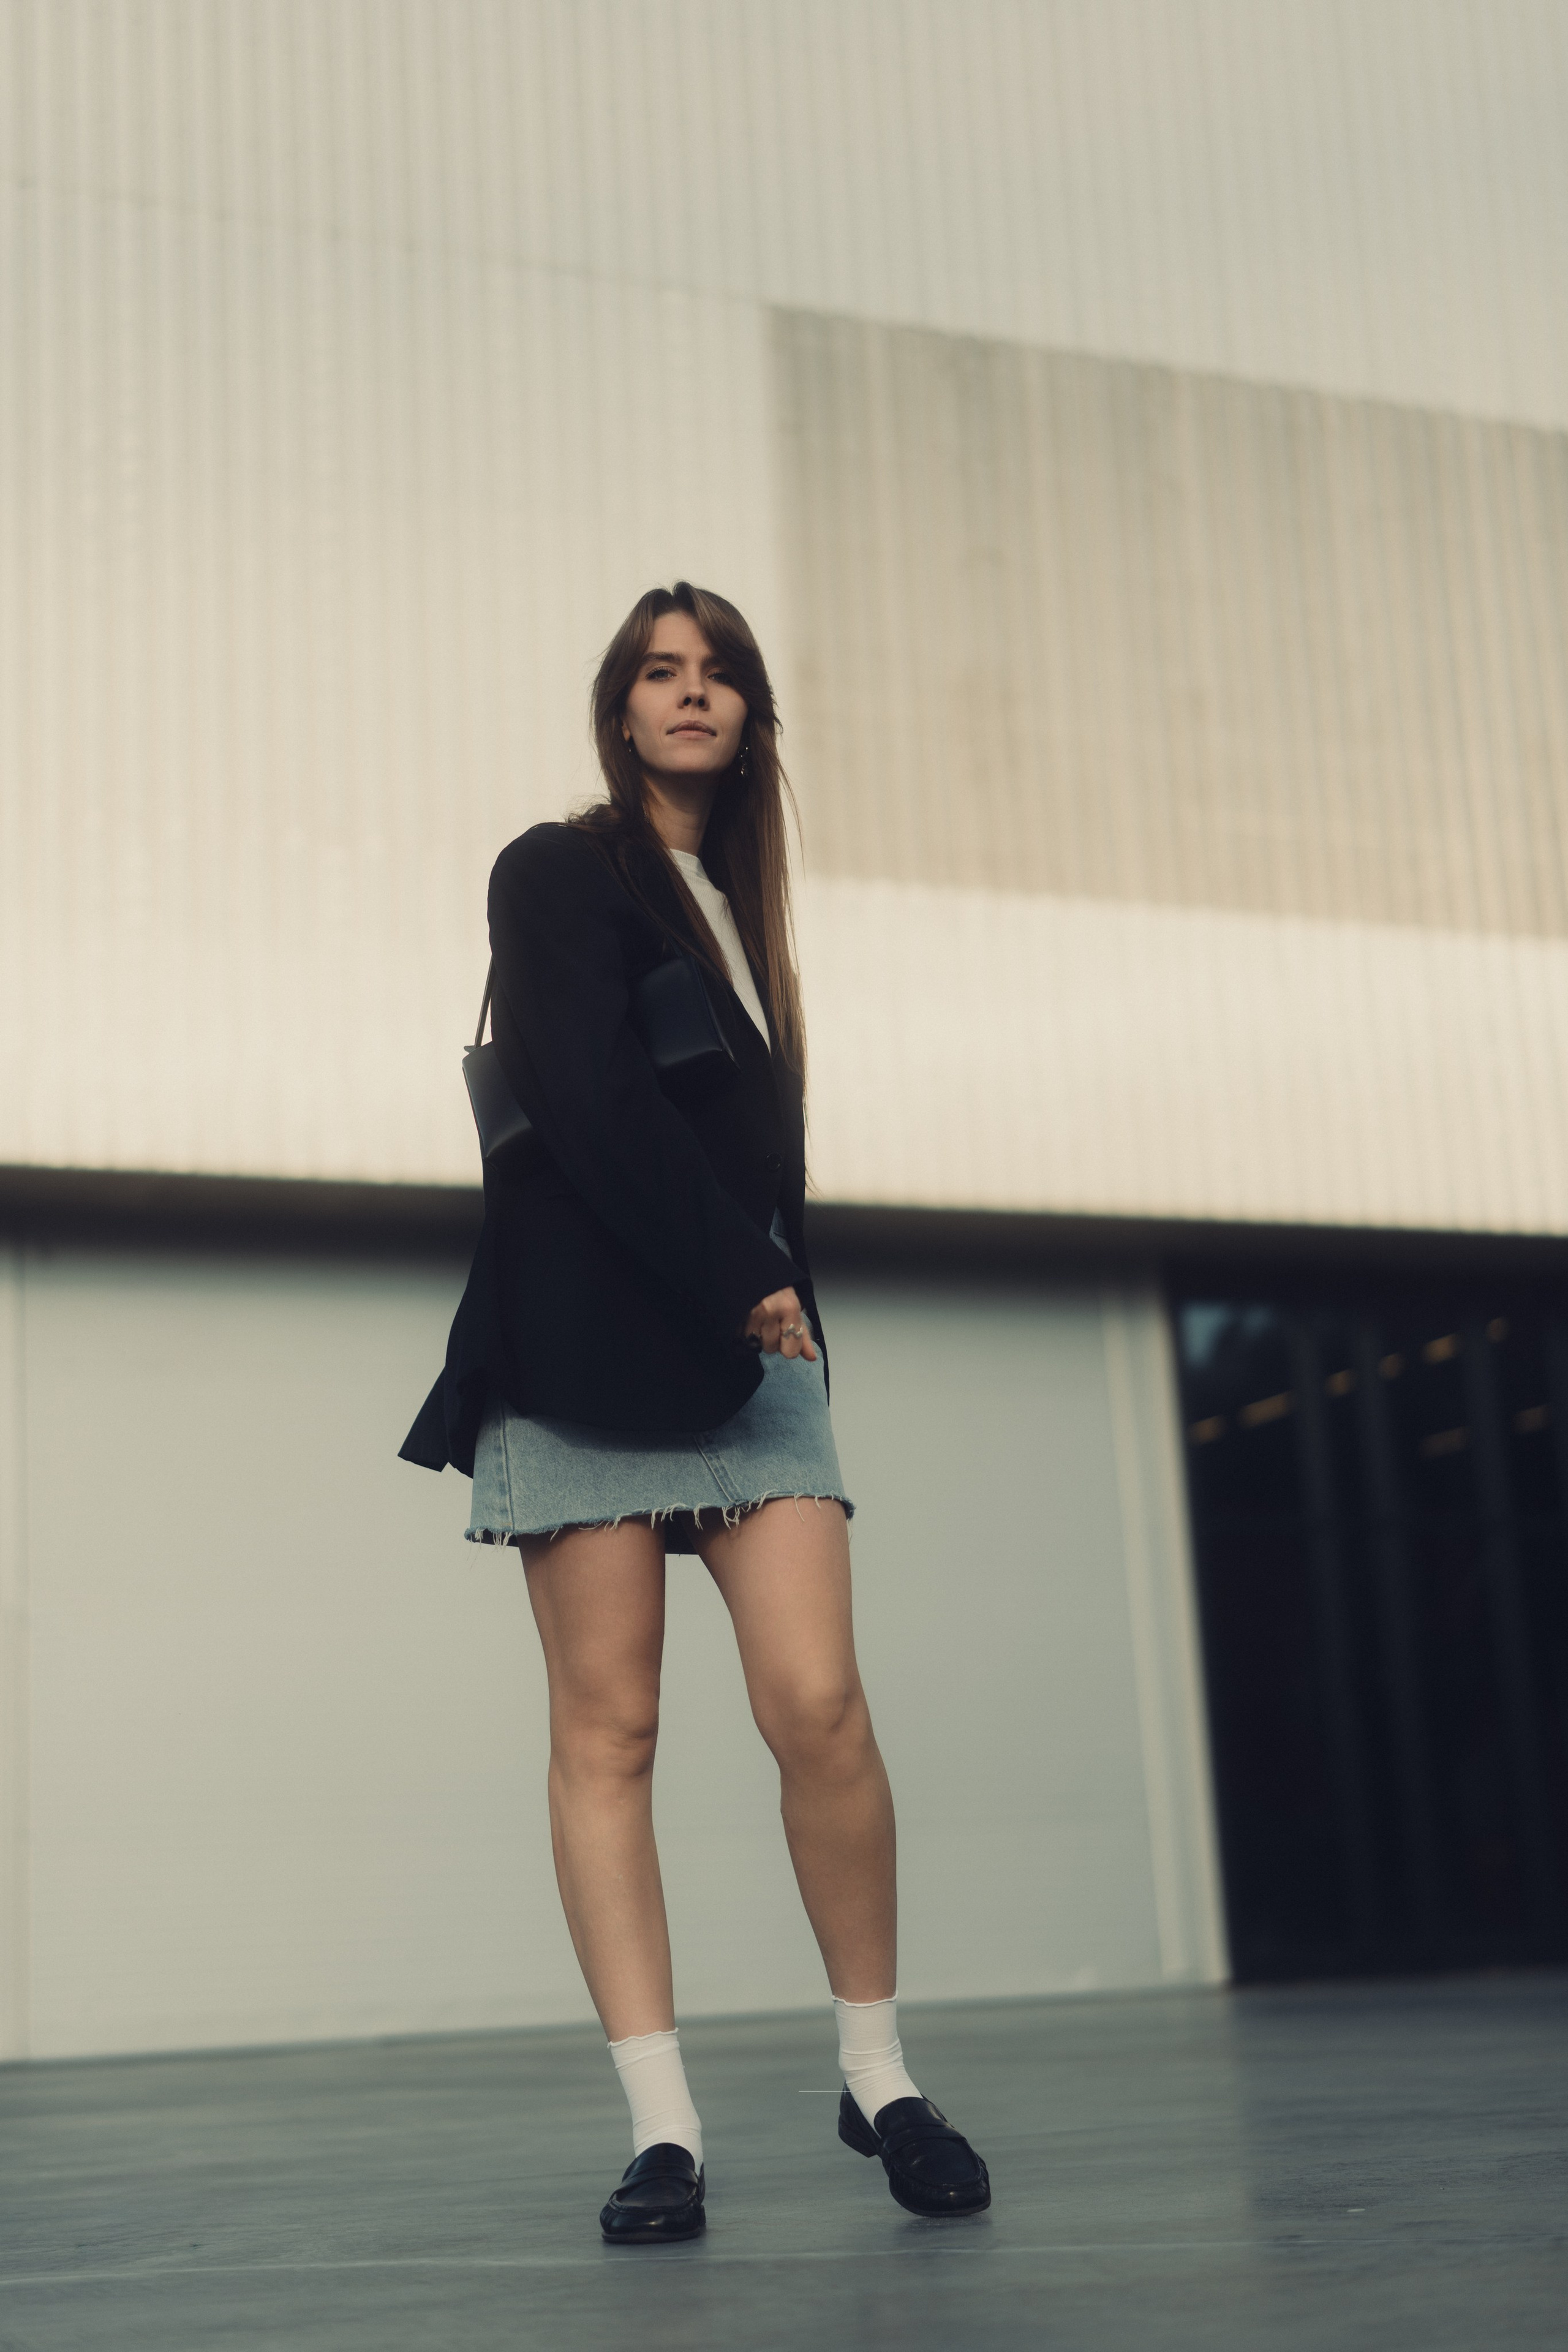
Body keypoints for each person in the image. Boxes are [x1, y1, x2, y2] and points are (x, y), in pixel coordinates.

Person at [401, 582, 989, 2243]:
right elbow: (581, 1097)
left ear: (751, 719)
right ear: (621, 705)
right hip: (589, 1345)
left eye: (721, 672)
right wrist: (745, 1270)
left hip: (751, 1362)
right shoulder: (555, 869)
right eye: (662, 671)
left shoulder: (746, 910)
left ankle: (881, 2079)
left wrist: (771, 1301)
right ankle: (664, 2134)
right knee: (612, 1734)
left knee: (821, 1709)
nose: (693, 693)